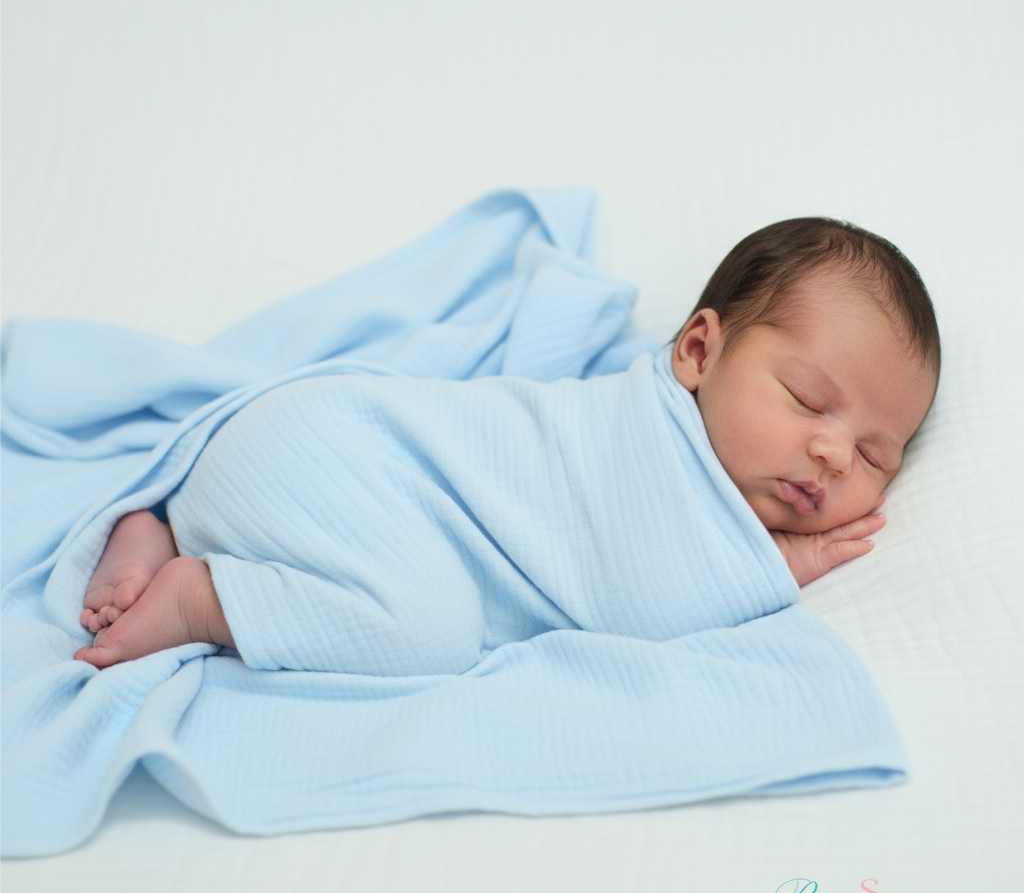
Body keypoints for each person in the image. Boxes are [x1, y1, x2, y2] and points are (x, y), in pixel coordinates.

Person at [75, 216, 940, 670]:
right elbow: (636, 609)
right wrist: (777, 569)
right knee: (424, 633)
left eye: (875, 456)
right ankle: (201, 596)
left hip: (310, 464)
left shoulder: (693, 467)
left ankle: (166, 525)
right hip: (335, 453)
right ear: (698, 352)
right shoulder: (647, 438)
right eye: (807, 400)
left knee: (417, 605)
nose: (833, 453)